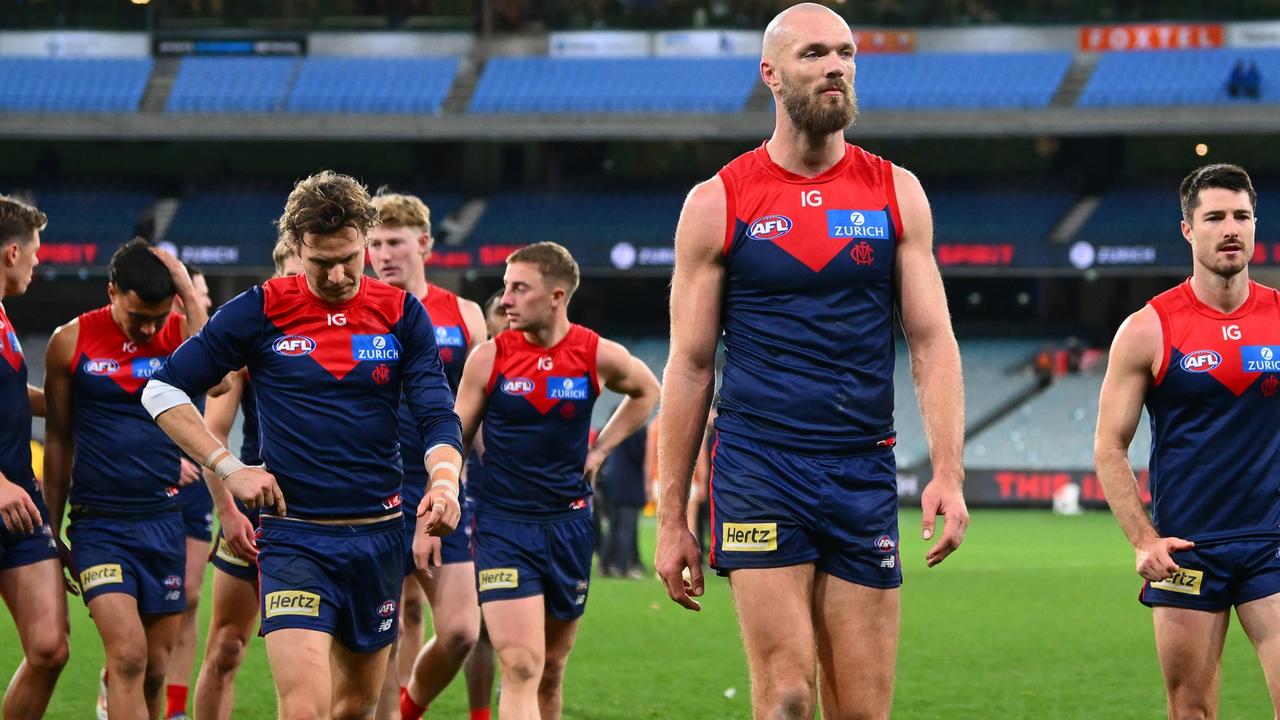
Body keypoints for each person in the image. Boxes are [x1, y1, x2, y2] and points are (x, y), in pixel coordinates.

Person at [654, 5, 969, 718]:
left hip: (861, 467)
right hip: (759, 466)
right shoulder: (718, 201)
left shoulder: (897, 192)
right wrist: (671, 513)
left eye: (848, 53)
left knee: (861, 710)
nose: (838, 66)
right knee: (789, 696)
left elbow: (931, 340)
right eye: (816, 54)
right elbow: (691, 365)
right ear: (770, 74)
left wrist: (948, 470)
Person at [140, 170, 465, 720]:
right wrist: (227, 466)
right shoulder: (260, 307)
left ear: (365, 240)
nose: (338, 275)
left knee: (354, 709)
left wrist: (443, 481)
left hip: (377, 537)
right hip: (294, 540)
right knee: (305, 705)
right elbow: (161, 389)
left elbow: (437, 412)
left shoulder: (402, 314)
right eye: (320, 262)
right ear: (295, 247)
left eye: (350, 258)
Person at [429, 242, 659, 720]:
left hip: (570, 528)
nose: (506, 299)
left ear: (557, 296)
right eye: (506, 287)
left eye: (519, 288)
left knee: (551, 670)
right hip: (502, 528)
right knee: (520, 666)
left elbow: (646, 390)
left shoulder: (594, 352)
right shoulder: (488, 358)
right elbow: (453, 433)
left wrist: (602, 448)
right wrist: (445, 484)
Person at [1095, 163, 1280, 718]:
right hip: (1186, 553)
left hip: (1272, 539)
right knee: (1191, 709)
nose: (1231, 228)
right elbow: (1108, 446)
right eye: (1216, 217)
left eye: (1242, 216)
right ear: (1187, 230)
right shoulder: (1149, 328)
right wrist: (1142, 539)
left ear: (1255, 225)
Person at [44, 238, 209, 720]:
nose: (148, 328)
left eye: (158, 317)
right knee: (130, 656)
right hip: (99, 527)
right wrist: (51, 533)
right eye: (138, 316)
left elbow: (216, 379)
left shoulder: (176, 333)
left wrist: (184, 287)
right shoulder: (69, 341)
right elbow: (57, 440)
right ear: (112, 290)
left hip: (164, 523)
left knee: (157, 669)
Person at [364, 191, 487, 720]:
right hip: (377, 487)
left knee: (461, 629)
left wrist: (487, 472)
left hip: (446, 486)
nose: (384, 253)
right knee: (382, 632)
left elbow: (482, 400)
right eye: (374, 244)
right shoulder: (360, 311)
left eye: (395, 241)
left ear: (425, 244)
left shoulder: (462, 312)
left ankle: (410, 706)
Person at [191, 238, 302, 720]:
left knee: (310, 659)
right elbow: (212, 431)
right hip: (256, 512)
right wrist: (228, 510)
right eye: (300, 273)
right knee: (227, 646)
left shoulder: (354, 332)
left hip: (332, 514)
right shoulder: (252, 334)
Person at [0, 195, 69, 720]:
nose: (38, 263)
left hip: (20, 508)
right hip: (5, 494)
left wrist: (82, 402)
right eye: (36, 253)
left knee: (49, 648)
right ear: (12, 252)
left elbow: (10, 395)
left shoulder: (2, 316)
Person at [165, 264, 215, 720]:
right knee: (157, 599)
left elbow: (217, 385)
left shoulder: (204, 347)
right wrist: (160, 458)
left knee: (191, 596)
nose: (205, 304)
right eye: (195, 295)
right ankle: (118, 676)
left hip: (196, 486)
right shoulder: (150, 342)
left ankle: (176, 708)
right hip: (148, 485)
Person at [599, 423, 649, 579]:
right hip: (628, 486)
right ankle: (622, 566)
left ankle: (605, 564)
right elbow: (638, 454)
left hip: (614, 484)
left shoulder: (617, 428)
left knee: (614, 525)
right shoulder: (634, 430)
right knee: (626, 527)